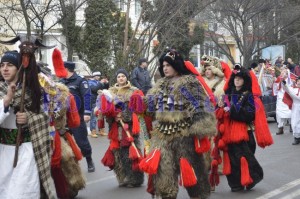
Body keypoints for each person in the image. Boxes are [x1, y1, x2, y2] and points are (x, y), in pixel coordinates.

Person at [140, 50, 217, 199]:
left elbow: (200, 106)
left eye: (168, 65)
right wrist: (137, 103)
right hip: (162, 136)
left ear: (176, 65)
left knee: (193, 172)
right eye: (163, 65)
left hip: (184, 135)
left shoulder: (187, 84)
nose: (165, 68)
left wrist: (200, 125)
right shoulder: (160, 84)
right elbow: (149, 106)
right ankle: (167, 195)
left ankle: (199, 195)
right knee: (164, 173)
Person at [0, 51, 55, 198]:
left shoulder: (33, 91)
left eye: (10, 65)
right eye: (2, 65)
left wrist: (29, 117)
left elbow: (45, 117)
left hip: (26, 150)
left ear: (19, 68)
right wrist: (6, 101)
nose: (5, 69)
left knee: (22, 192)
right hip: (3, 153)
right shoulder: (1, 90)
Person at [216, 64, 273, 192]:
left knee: (245, 158)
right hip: (228, 133)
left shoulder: (249, 96)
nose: (237, 80)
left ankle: (250, 179)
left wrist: (232, 110)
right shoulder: (227, 94)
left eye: (240, 78)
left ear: (245, 80)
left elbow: (249, 115)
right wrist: (219, 106)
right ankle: (236, 184)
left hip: (245, 134)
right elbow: (218, 113)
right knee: (232, 160)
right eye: (235, 78)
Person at [98, 68, 145, 188]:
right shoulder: (110, 92)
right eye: (119, 77)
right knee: (117, 154)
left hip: (129, 127)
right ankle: (123, 177)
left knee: (129, 153)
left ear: (126, 78)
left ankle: (135, 179)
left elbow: (138, 109)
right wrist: (110, 115)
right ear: (116, 79)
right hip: (115, 127)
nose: (121, 78)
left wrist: (123, 115)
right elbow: (103, 108)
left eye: (123, 76)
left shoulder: (134, 91)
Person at [60, 61, 95, 172]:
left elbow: (87, 96)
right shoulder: (61, 82)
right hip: (63, 118)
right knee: (64, 142)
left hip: (77, 116)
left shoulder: (80, 80)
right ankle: (70, 166)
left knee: (81, 141)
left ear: (67, 69)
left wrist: (87, 113)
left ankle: (89, 160)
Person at [273, 68, 292, 135]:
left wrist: (283, 81)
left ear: (287, 74)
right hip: (280, 99)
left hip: (287, 99)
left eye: (284, 72)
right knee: (278, 113)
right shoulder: (278, 79)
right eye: (282, 71)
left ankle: (291, 126)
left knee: (289, 112)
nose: (282, 72)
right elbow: (275, 88)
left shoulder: (290, 80)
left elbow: (290, 89)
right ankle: (280, 128)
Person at [88, 71, 106, 137]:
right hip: (93, 101)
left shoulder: (98, 82)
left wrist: (106, 83)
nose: (99, 77)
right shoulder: (89, 82)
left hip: (100, 100)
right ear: (94, 76)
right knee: (94, 116)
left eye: (99, 76)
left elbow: (105, 89)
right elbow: (94, 89)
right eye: (97, 76)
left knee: (101, 115)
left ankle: (101, 130)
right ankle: (93, 131)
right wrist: (101, 83)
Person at [283, 77, 300, 145]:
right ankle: (297, 138)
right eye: (298, 81)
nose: (298, 82)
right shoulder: (294, 89)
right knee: (295, 122)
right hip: (296, 107)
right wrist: (285, 84)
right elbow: (287, 90)